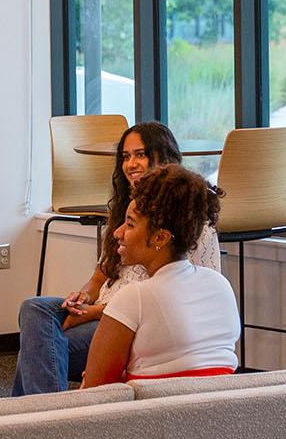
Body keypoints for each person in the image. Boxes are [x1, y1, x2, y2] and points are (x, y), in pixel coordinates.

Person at [12, 121, 223, 396]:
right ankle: (41, 418)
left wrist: (97, 312)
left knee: (38, 347)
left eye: (140, 154)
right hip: (102, 309)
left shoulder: (188, 218)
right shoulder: (127, 208)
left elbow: (181, 295)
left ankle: (42, 419)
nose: (131, 164)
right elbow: (102, 272)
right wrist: (85, 296)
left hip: (130, 321)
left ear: (163, 156)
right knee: (35, 310)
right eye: (126, 156)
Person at [79, 165, 242, 388]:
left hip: (156, 420)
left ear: (160, 238)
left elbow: (94, 394)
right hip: (223, 417)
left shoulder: (134, 297)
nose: (117, 233)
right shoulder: (220, 285)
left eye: (130, 224)